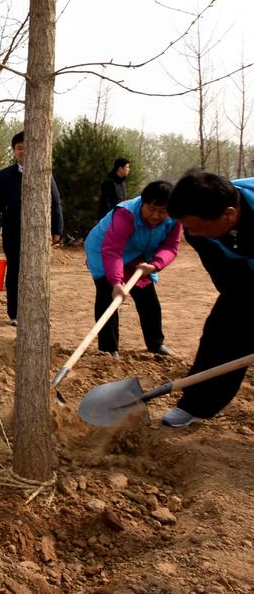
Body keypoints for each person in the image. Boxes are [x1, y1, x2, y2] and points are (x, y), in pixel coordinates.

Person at [160, 169, 254, 428]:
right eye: (188, 227)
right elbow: (231, 283)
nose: (193, 234)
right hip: (246, 276)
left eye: (198, 227)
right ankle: (196, 404)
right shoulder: (198, 232)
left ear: (229, 215)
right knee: (221, 331)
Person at [84, 181, 180, 358]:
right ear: (142, 203)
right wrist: (116, 282)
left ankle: (155, 344)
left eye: (162, 211)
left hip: (138, 257)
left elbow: (171, 246)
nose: (156, 215)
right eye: (151, 209)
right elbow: (112, 250)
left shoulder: (175, 218)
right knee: (108, 296)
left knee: (148, 298)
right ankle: (108, 350)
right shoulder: (126, 214)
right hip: (104, 251)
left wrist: (155, 265)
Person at [0, 131, 64, 326]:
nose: (23, 151)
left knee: (38, 273)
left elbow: (55, 202)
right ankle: (15, 314)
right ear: (14, 151)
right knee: (15, 272)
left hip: (38, 232)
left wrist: (57, 229)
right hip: (13, 232)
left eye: (27, 148)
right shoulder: (4, 176)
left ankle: (39, 313)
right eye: (19, 148)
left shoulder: (44, 173)